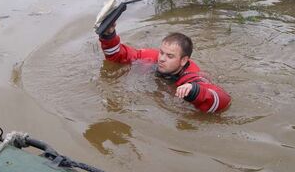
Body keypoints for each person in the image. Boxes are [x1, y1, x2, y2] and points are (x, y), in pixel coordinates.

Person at [99, 23, 231, 113]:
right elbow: (118, 56)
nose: (161, 58)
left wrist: (195, 91)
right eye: (161, 52)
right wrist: (109, 34)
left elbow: (224, 100)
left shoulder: (192, 76)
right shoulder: (153, 57)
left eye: (170, 56)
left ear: (183, 60)